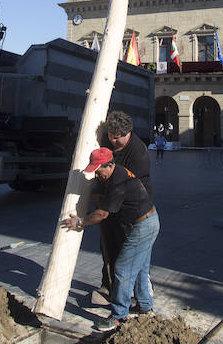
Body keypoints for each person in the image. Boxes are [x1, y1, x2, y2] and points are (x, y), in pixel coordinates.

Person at [62, 147, 159, 330]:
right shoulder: (117, 172)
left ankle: (118, 316)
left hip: (142, 226)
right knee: (139, 267)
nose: (98, 175)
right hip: (148, 220)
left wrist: (80, 222)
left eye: (99, 171)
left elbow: (102, 214)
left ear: (109, 165)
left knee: (122, 268)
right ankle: (145, 307)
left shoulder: (118, 183)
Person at [94, 110, 153, 301]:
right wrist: (97, 190)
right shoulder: (107, 140)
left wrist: (105, 206)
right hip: (111, 203)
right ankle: (108, 284)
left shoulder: (138, 152)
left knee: (129, 256)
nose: (113, 142)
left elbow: (128, 187)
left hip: (132, 210)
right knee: (108, 247)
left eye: (117, 138)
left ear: (128, 133)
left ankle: (132, 296)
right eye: (111, 137)